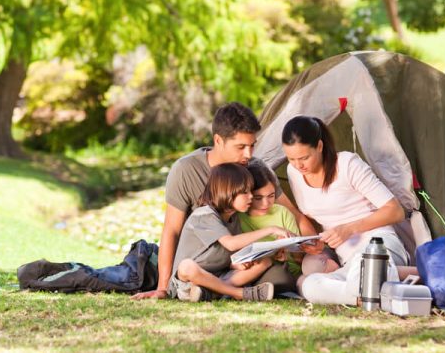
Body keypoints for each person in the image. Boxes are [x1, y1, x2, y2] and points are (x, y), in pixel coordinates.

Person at [132, 102, 316, 300]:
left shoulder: (255, 167)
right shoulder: (186, 171)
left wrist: (315, 250)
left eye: (252, 145)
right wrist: (163, 288)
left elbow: (294, 214)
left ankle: (212, 290)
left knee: (280, 278)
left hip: (236, 263)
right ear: (218, 141)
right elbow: (172, 230)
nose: (249, 154)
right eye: (241, 147)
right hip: (202, 261)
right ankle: (225, 290)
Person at [281, 115, 407, 305]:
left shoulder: (347, 164)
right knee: (309, 284)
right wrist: (317, 243)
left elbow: (395, 211)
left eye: (304, 157)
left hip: (379, 246)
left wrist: (349, 229)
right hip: (347, 261)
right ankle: (364, 294)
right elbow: (317, 217)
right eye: (291, 159)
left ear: (320, 147)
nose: (299, 165)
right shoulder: (294, 173)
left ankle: (369, 287)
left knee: (360, 270)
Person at [168, 163, 293, 302]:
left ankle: (212, 293)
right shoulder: (203, 215)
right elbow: (231, 244)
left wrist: (239, 262)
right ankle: (239, 293)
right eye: (245, 192)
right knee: (186, 266)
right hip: (189, 281)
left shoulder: (233, 218)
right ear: (227, 191)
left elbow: (230, 254)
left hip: (220, 277)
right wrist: (271, 229)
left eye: (251, 191)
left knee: (265, 262)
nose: (251, 196)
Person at [238, 162, 339, 294]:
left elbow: (299, 256)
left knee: (312, 266)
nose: (266, 203)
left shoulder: (281, 212)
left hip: (300, 265)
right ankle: (318, 283)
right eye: (258, 198)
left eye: (271, 196)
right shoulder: (241, 218)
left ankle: (334, 271)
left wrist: (290, 250)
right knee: (301, 283)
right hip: (274, 270)